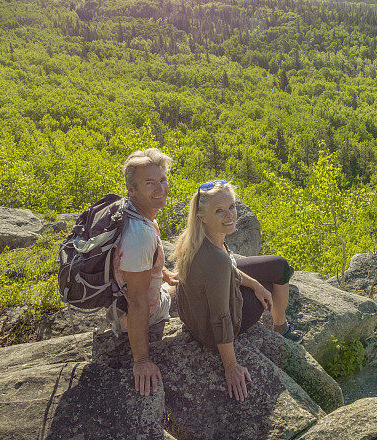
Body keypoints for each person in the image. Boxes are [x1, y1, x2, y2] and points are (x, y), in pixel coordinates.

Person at [173, 180, 302, 403]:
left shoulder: (196, 237)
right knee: (273, 283)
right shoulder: (216, 260)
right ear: (203, 216)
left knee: (279, 265)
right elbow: (220, 316)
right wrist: (231, 366)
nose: (230, 215)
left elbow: (229, 268)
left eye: (231, 207)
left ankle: (279, 324)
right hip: (211, 332)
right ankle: (280, 328)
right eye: (219, 211)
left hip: (193, 319)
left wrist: (254, 284)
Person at [108, 148, 179, 397]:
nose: (160, 188)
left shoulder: (132, 211)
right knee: (198, 283)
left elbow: (139, 264)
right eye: (149, 183)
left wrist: (165, 272)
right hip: (140, 314)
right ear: (132, 189)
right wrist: (141, 361)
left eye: (162, 180)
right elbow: (137, 301)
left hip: (119, 300)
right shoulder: (140, 236)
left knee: (178, 280)